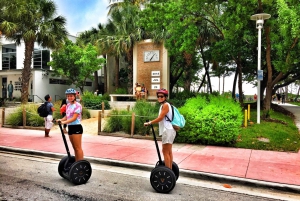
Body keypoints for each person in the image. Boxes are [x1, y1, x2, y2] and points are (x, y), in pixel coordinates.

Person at [144, 89, 176, 170]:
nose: (160, 98)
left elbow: (160, 118)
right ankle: (170, 171)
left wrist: (150, 123)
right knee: (169, 152)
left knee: (165, 152)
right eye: (158, 96)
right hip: (170, 130)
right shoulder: (167, 105)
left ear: (165, 97)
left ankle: (168, 173)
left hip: (167, 130)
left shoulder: (165, 105)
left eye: (162, 96)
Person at [58, 88, 84, 161]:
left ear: (75, 96)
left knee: (78, 147)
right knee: (74, 147)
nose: (69, 97)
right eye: (68, 96)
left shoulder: (78, 105)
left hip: (76, 127)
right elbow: (67, 116)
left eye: (71, 96)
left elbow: (74, 118)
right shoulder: (68, 105)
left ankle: (80, 164)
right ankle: (76, 163)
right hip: (70, 127)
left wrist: (64, 122)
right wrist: (61, 120)